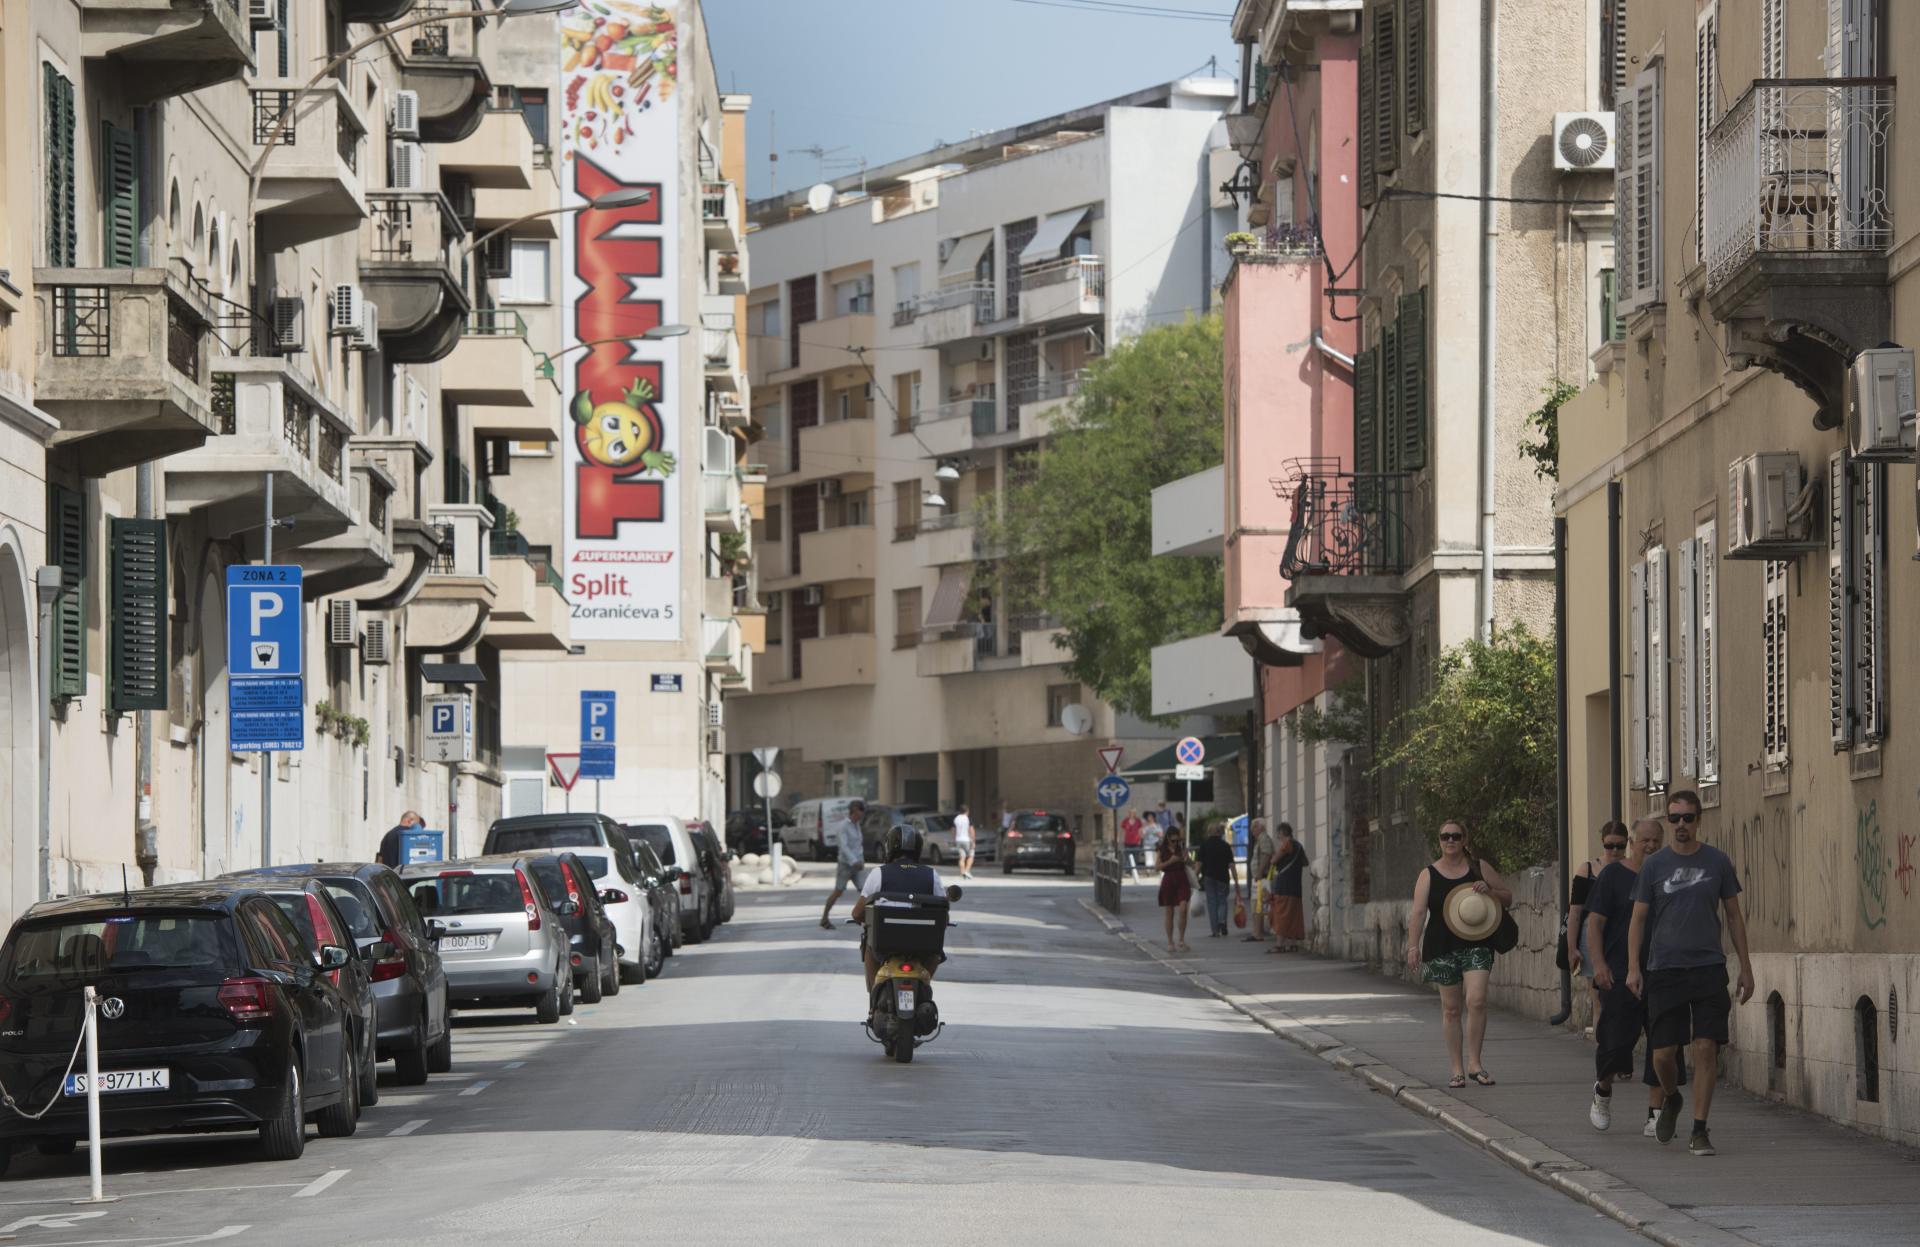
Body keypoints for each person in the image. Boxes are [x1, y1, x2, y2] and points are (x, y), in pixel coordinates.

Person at [1627, 789, 1754, 1157]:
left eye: (1687, 818)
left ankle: (1700, 1129)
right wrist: (1634, 968)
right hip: (1664, 969)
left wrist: (1745, 967)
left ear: (1699, 820)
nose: (1681, 824)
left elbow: (1733, 915)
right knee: (1663, 1055)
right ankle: (1671, 1098)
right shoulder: (1654, 865)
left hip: (1709, 967)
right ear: (1669, 822)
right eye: (1674, 818)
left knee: (1705, 1047)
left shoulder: (1717, 862)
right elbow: (1637, 919)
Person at [1585, 817, 1687, 1136]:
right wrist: (1598, 964)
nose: (1652, 846)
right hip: (1618, 974)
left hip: (1662, 973)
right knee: (1615, 1044)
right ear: (1633, 843)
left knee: (1664, 1045)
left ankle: (1655, 1114)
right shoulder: (1614, 875)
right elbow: (1595, 923)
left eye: (1657, 840)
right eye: (1645, 840)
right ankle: (1602, 1092)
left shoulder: (1669, 875)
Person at [1405, 820, 1513, 1089]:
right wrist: (1412, 945)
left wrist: (1491, 891)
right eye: (1445, 836)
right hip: (1441, 946)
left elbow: (1508, 896)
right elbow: (1418, 912)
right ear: (1439, 840)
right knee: (1451, 1009)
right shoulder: (1428, 874)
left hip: (1478, 942)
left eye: (1455, 836)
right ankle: (1457, 1069)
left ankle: (1475, 1064)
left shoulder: (1479, 867)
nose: (1450, 841)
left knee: (1476, 1000)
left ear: (1464, 839)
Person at [850, 823, 951, 994]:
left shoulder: (879, 873)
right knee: (936, 953)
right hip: (923, 947)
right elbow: (944, 918)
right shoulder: (931, 875)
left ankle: (875, 996)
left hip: (885, 945)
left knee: (868, 945)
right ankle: (923, 988)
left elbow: (857, 913)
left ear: (888, 847)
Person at [1570, 821, 1630, 1026]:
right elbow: (1575, 912)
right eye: (1609, 845)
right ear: (1602, 843)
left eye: (1620, 846)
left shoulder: (1632, 869)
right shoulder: (1587, 869)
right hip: (1592, 935)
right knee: (1599, 1000)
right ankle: (1601, 1047)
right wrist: (1572, 948)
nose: (1614, 851)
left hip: (1622, 935)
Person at [820, 799, 868, 931]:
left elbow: (858, 846)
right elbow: (844, 846)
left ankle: (863, 917)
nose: (862, 814)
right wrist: (854, 861)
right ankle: (824, 918)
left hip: (857, 865)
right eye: (860, 811)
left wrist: (861, 861)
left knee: (865, 891)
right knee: (838, 891)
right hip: (846, 865)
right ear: (854, 811)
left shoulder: (857, 825)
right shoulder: (843, 826)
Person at [1267, 822, 1309, 953]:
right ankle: (1293, 943)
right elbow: (1305, 862)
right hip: (1296, 885)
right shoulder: (1299, 846)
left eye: (1278, 834)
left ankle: (1279, 945)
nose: (1278, 837)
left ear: (1282, 833)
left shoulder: (1287, 844)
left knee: (1281, 914)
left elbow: (1273, 861)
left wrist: (1276, 856)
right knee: (1294, 915)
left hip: (1284, 885)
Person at [1195, 820, 1239, 938]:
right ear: (1220, 833)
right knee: (1222, 901)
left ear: (1209, 832)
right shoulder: (1225, 846)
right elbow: (1231, 865)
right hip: (1223, 878)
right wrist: (1236, 880)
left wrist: (1194, 878)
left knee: (1212, 903)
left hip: (1208, 878)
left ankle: (1215, 931)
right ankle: (1222, 922)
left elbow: (1199, 864)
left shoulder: (1204, 846)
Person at [1155, 821, 1194, 953]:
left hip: (1182, 878)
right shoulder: (1161, 849)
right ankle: (1170, 941)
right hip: (1169, 879)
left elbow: (1191, 863)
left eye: (1177, 840)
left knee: (1183, 909)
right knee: (1169, 912)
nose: (1175, 843)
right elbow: (1157, 867)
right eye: (1173, 841)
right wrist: (1169, 862)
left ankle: (1181, 940)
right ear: (1167, 838)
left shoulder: (1182, 847)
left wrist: (1186, 859)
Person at [1246, 818, 1276, 940]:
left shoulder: (1263, 838)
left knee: (1258, 904)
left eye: (1254, 827)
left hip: (1262, 877)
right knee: (1257, 904)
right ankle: (1256, 932)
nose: (1251, 830)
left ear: (1261, 827)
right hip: (1259, 877)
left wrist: (1259, 872)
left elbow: (1266, 854)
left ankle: (1257, 933)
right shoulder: (1260, 839)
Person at [1121, 807, 1145, 882]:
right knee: (1127, 857)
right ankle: (1128, 872)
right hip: (1127, 842)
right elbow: (1122, 830)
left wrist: (1141, 839)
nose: (1132, 814)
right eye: (1130, 812)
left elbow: (1140, 830)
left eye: (1133, 812)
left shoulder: (1138, 821)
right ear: (1129, 813)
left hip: (1136, 842)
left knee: (1136, 857)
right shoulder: (1125, 820)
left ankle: (1135, 871)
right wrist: (1120, 838)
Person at [953, 804, 975, 880]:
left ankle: (962, 872)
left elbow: (953, 830)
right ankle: (967, 871)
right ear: (967, 811)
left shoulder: (956, 819)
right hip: (967, 840)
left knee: (962, 857)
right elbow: (971, 830)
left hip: (958, 840)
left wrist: (954, 839)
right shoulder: (967, 818)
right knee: (971, 856)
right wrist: (973, 841)